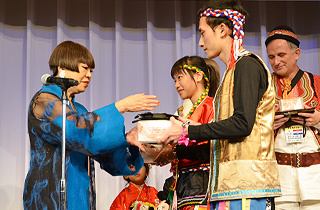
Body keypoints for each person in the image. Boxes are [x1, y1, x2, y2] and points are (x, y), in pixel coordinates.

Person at [160, 0, 281, 209]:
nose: (200, 42)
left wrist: (190, 131)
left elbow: (243, 124)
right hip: (228, 186)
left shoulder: (247, 65)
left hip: (249, 187)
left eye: (203, 32)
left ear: (223, 30)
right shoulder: (231, 72)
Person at [23, 41, 160, 210]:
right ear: (62, 66)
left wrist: (127, 140)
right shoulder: (44, 101)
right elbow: (75, 132)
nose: (89, 75)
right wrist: (120, 107)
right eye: (84, 68)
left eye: (91, 70)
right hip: (49, 194)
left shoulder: (79, 110)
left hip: (79, 193)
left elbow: (103, 153)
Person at [153, 56, 220, 209]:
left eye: (180, 78)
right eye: (174, 80)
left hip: (203, 184)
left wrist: (177, 151)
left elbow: (212, 148)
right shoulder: (185, 113)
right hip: (184, 184)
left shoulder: (211, 107)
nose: (177, 85)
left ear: (198, 76)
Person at [265, 25, 320, 210]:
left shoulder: (318, 83)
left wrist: (318, 120)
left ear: (296, 53)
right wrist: (266, 126)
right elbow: (246, 128)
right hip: (280, 179)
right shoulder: (262, 89)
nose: (276, 61)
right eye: (271, 57)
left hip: (315, 178)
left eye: (281, 55)